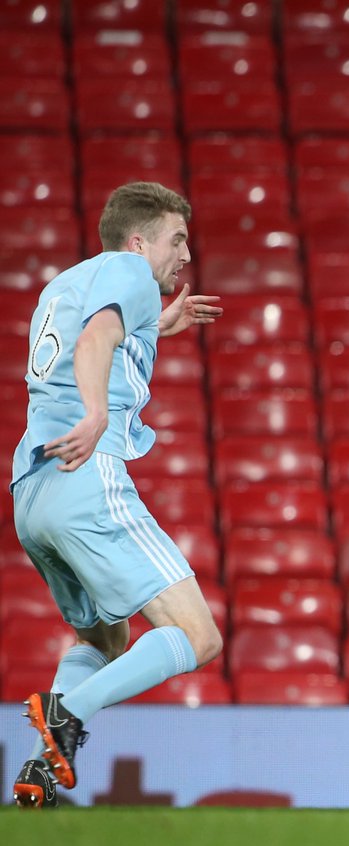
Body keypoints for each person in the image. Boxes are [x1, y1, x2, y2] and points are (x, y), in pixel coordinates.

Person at [10, 182, 224, 809]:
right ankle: (64, 716)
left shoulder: (63, 285)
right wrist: (100, 412)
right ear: (138, 240)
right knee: (197, 637)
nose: (185, 253)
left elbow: (101, 330)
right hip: (85, 473)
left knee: (103, 641)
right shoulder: (130, 269)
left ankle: (41, 775)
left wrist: (158, 325)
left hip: (33, 494)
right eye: (177, 238)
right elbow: (96, 339)